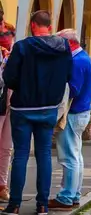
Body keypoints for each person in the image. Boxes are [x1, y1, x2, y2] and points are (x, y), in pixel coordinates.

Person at [2, 11, 72, 215]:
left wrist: (22, 87)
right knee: (44, 155)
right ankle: (42, 204)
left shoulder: (23, 47)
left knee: (21, 155)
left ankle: (14, 205)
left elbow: (9, 76)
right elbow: (68, 74)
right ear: (49, 26)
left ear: (33, 25)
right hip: (49, 107)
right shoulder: (63, 47)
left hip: (23, 107)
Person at [48, 29, 91, 211]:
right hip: (81, 112)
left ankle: (66, 196)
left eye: (60, 43)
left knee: (69, 157)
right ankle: (73, 194)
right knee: (76, 155)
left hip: (73, 113)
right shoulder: (83, 58)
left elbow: (72, 89)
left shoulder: (76, 61)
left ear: (69, 43)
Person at [0, 19, 15, 204]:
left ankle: (2, 185)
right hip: (1, 104)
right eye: (4, 35)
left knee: (6, 148)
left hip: (11, 106)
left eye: (10, 35)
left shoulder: (12, 55)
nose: (8, 38)